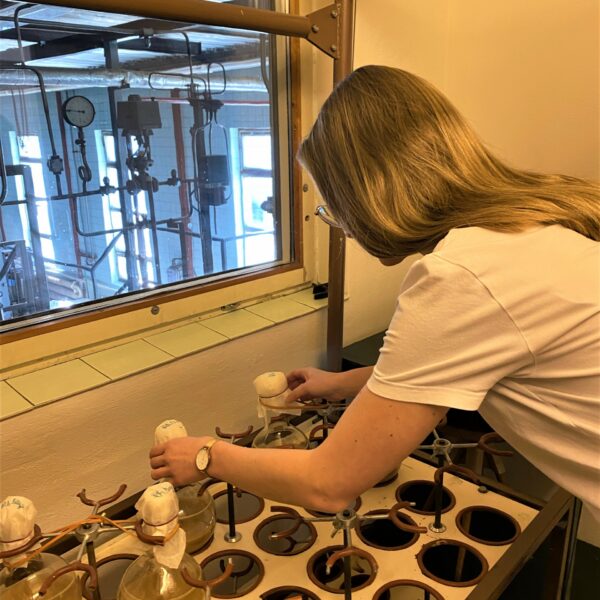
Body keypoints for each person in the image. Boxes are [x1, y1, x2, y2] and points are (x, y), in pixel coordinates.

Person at [150, 65, 599, 521]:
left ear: (365, 194)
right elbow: (445, 369)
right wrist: (342, 384)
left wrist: (206, 456)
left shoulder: (462, 276)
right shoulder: (524, 228)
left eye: (332, 206)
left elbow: (328, 484)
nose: (342, 227)